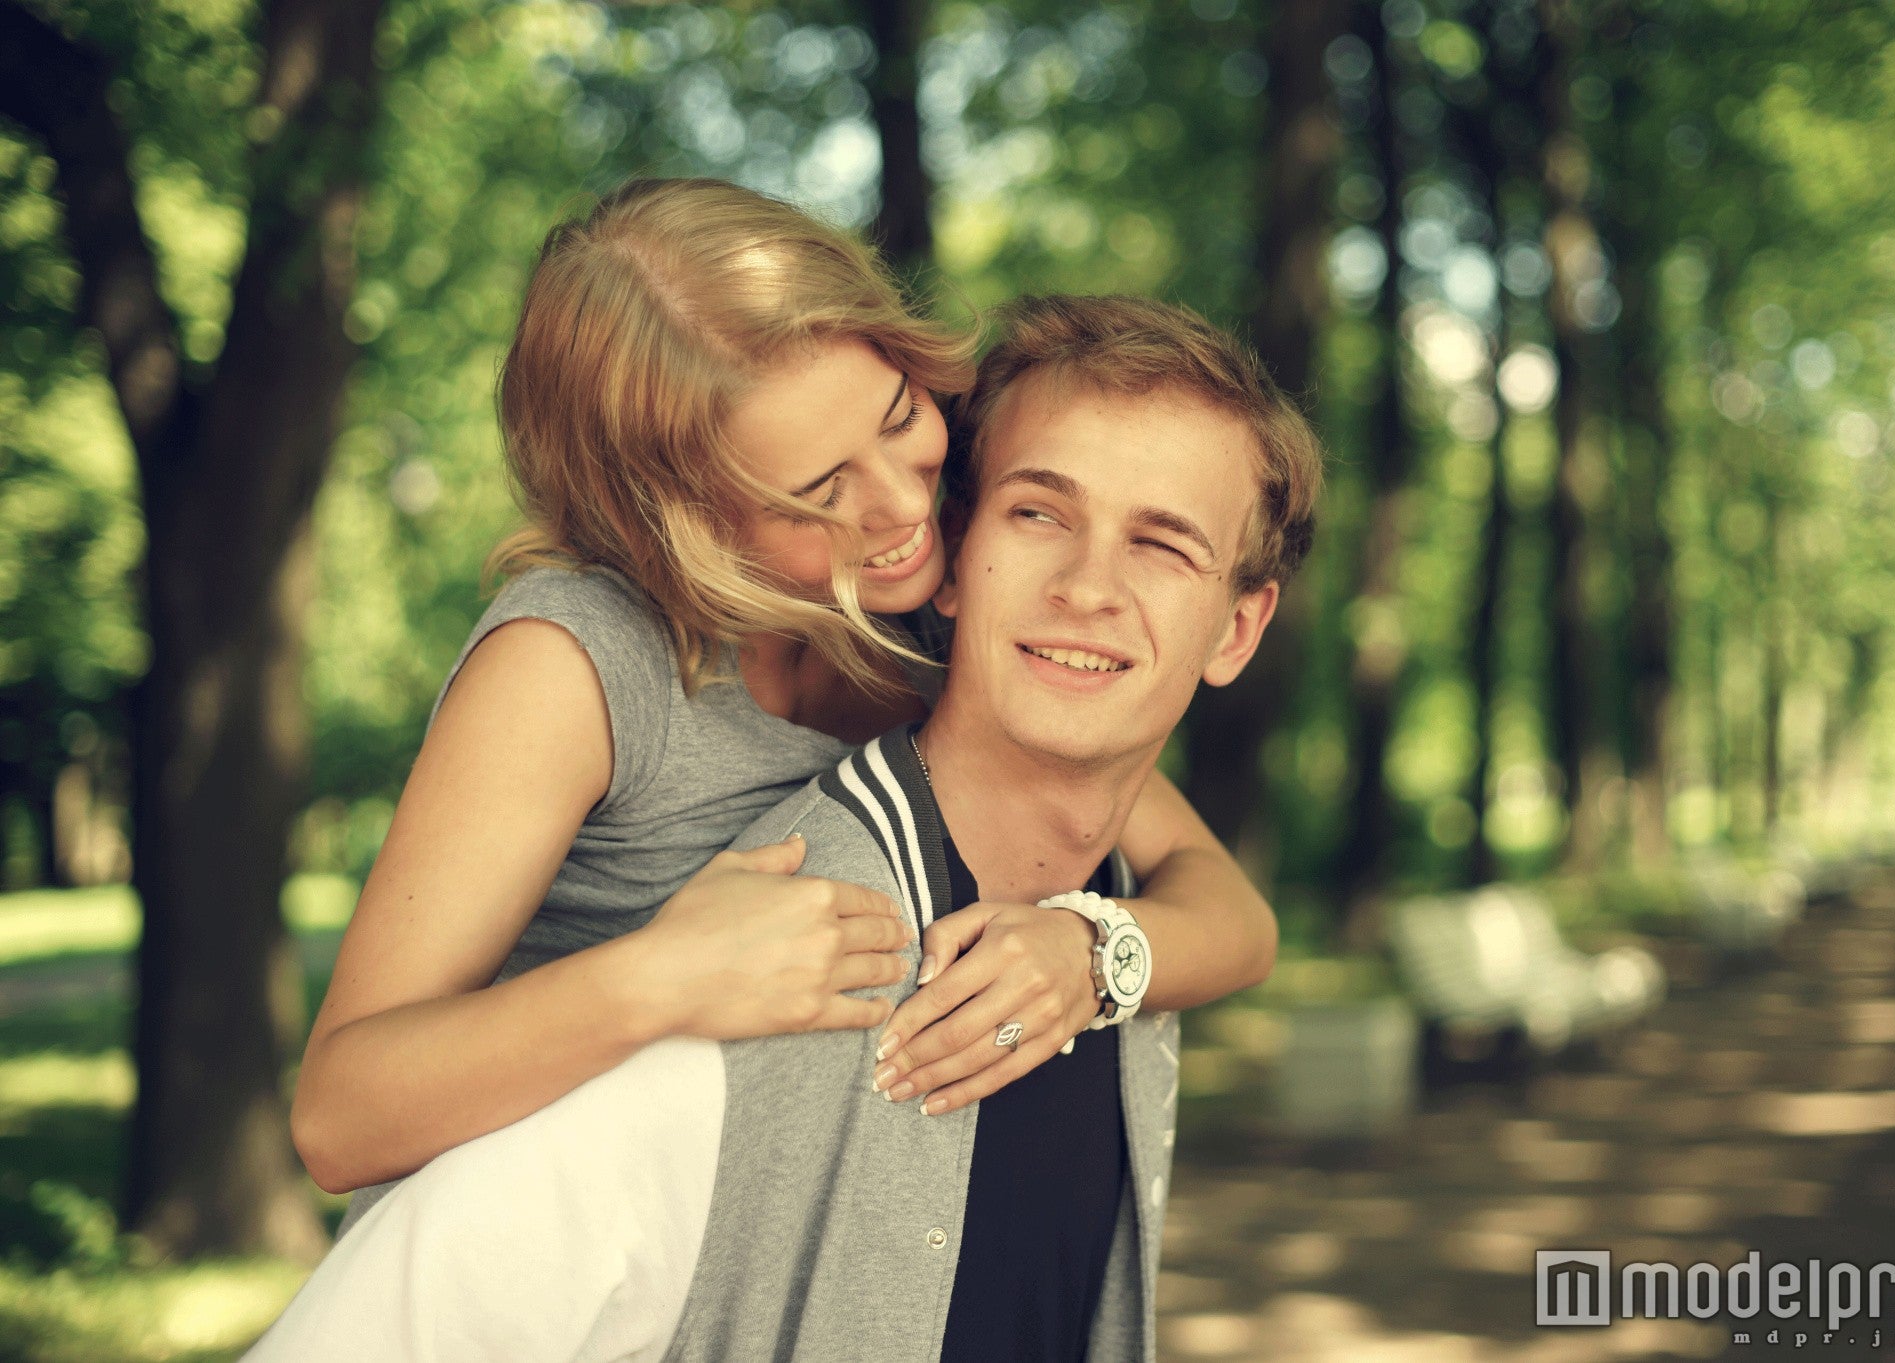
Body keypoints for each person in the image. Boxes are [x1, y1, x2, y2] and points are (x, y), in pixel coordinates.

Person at [251, 182, 1277, 1360]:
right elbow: (340, 1116)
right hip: (545, 1293)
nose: (902, 509)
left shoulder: (928, 616)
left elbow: (1230, 914)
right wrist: (657, 977)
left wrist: (1091, 952)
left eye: (897, 417)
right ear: (677, 518)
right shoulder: (575, 667)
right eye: (816, 491)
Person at [661, 292, 1324, 1363]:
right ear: (955, 551)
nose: (1087, 589)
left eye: (1160, 545)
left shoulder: (1121, 917)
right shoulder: (779, 939)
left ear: (1235, 628)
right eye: (1039, 513)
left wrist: (1103, 952)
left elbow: (1237, 924)